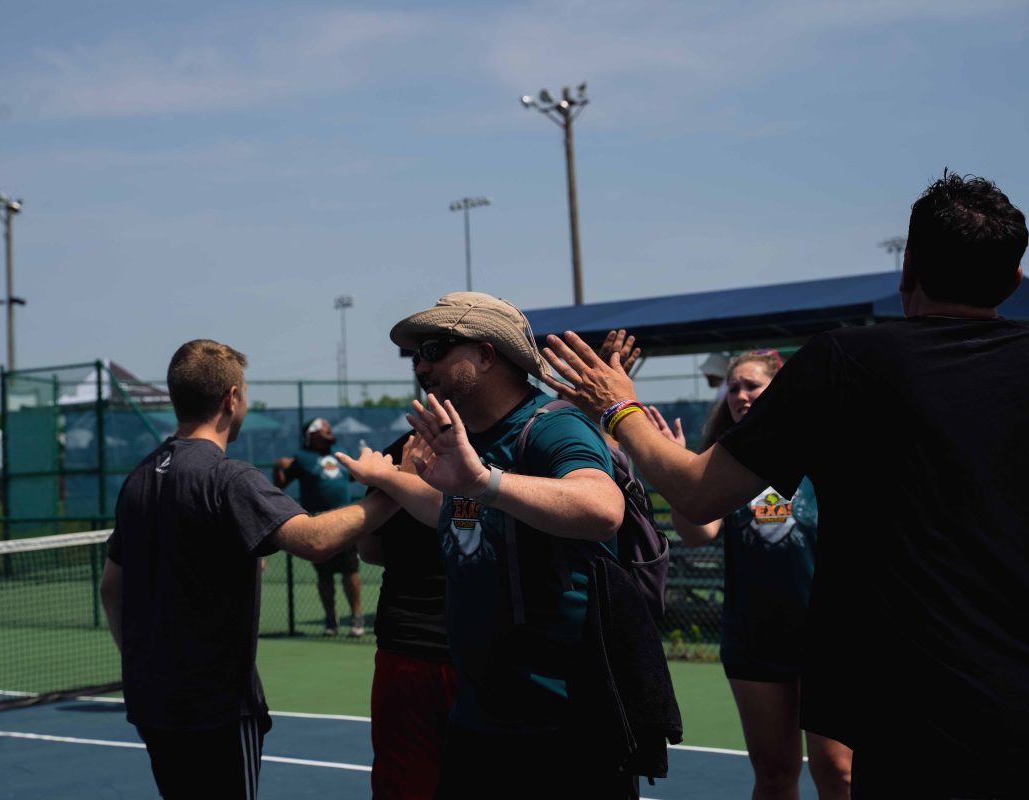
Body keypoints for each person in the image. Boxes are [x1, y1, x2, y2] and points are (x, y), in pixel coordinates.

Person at [540, 172, 1029, 798]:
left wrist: (619, 408)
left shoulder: (845, 362)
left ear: (907, 268)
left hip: (908, 710)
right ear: (1014, 280)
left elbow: (696, 492)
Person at [342, 292, 630, 798]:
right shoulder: (465, 438)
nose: (421, 365)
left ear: (486, 354)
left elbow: (603, 509)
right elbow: (459, 516)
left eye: (435, 349)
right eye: (417, 354)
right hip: (480, 717)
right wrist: (395, 481)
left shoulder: (552, 426)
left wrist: (481, 482)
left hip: (561, 722)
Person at [99, 340, 398, 800]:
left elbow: (110, 589)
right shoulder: (229, 478)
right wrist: (392, 490)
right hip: (215, 704)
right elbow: (315, 541)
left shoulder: (138, 478)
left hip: (152, 700)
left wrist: (141, 664)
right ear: (232, 398)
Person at [649, 353, 851, 799]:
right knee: (774, 774)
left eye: (752, 385)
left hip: (828, 636)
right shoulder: (721, 464)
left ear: (778, 389)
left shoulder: (823, 451)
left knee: (838, 772)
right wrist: (676, 473)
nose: (741, 395)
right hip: (754, 639)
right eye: (734, 387)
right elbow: (698, 534)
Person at [357, 432, 456, 800]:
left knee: (404, 783)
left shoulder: (397, 452)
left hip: (406, 645)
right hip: (475, 649)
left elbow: (369, 548)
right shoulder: (503, 445)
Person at [273, 419, 365, 637]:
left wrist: (363, 462)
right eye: (322, 427)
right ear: (311, 434)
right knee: (325, 576)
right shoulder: (302, 458)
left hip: (345, 521)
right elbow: (281, 483)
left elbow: (355, 476)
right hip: (318, 523)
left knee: (350, 571)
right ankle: (331, 621)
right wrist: (278, 467)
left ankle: (356, 618)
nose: (328, 428)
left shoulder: (340, 453)